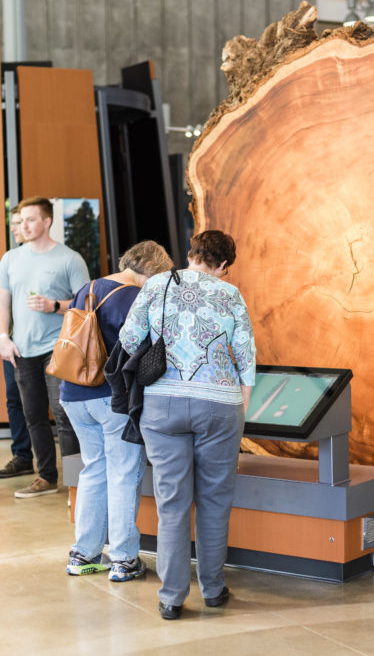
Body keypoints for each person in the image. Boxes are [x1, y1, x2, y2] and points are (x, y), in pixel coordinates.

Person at [119, 229, 256, 620]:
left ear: (191, 253)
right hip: (220, 407)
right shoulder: (230, 294)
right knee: (214, 502)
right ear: (225, 265)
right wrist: (240, 412)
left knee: (172, 505)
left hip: (163, 406)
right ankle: (213, 589)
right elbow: (246, 358)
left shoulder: (158, 284)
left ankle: (171, 597)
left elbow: (129, 339)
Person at [60, 240, 173, 581]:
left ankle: (84, 554)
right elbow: (145, 349)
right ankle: (124, 559)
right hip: (111, 397)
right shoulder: (133, 297)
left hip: (73, 393)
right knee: (124, 473)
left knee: (94, 469)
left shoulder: (88, 287)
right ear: (151, 268)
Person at [0, 196, 90, 498]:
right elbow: (4, 302)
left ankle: (77, 483)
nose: (23, 225)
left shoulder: (69, 259)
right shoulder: (10, 259)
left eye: (30, 219)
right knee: (33, 415)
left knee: (64, 416)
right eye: (21, 220)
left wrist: (55, 306)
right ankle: (46, 478)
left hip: (58, 350)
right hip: (22, 351)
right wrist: (3, 337)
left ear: (47, 221)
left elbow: (87, 305)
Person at [0, 208, 34, 478]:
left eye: (19, 223)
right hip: (13, 343)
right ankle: (22, 456)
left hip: (42, 343)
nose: (15, 228)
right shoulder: (10, 259)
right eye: (13, 224)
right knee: (14, 399)